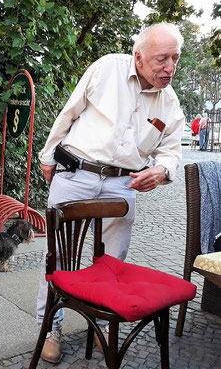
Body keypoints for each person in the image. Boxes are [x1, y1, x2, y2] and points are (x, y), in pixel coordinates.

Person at [36, 23, 185, 364]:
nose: (169, 67)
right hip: (77, 172)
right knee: (59, 258)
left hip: (123, 184)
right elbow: (70, 112)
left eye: (175, 58)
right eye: (161, 59)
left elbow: (171, 150)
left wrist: (162, 170)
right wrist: (48, 156)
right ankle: (50, 328)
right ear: (139, 57)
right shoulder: (107, 68)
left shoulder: (170, 102)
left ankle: (102, 325)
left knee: (112, 262)